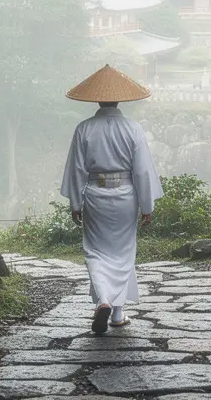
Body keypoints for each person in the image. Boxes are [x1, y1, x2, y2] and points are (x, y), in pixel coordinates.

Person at [60, 65, 164, 335]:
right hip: (127, 195)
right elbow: (141, 170)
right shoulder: (133, 129)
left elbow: (76, 169)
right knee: (123, 253)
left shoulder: (83, 129)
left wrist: (75, 203)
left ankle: (106, 303)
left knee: (95, 252)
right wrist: (147, 205)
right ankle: (116, 313)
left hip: (94, 195)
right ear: (120, 99)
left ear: (96, 98)